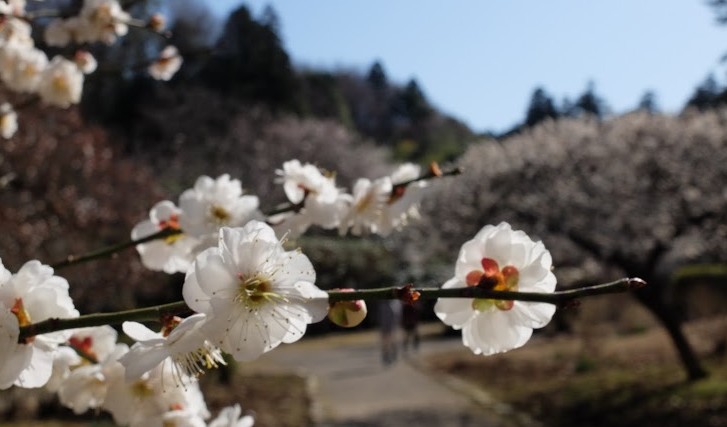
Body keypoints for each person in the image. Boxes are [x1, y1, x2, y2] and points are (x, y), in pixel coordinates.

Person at [378, 299, 401, 365]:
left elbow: (396, 316)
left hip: (390, 327)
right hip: (386, 327)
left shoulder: (393, 304)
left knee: (391, 341)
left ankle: (392, 355)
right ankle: (387, 356)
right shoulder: (385, 306)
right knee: (386, 342)